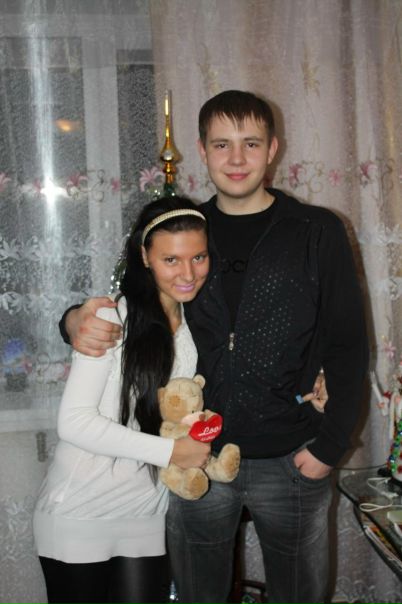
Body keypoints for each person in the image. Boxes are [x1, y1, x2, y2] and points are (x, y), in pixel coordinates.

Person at [59, 90, 368, 604]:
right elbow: (133, 300)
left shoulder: (316, 231)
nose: (237, 158)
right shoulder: (186, 233)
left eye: (251, 143)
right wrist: (70, 319)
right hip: (197, 457)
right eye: (222, 144)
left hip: (293, 457)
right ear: (202, 151)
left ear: (273, 149)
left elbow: (349, 344)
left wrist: (329, 448)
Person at [33, 196, 212, 604]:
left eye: (198, 257)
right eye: (171, 260)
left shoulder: (195, 323)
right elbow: (74, 422)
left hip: (145, 513)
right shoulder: (112, 319)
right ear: (145, 257)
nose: (188, 274)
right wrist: (172, 452)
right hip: (80, 513)